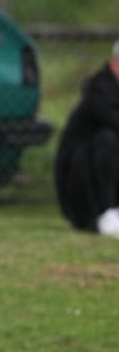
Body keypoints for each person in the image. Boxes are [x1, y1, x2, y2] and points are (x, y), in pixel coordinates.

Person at [55, 40, 119, 237]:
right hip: (80, 175)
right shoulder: (99, 88)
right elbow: (113, 121)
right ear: (115, 63)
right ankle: (106, 213)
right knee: (107, 140)